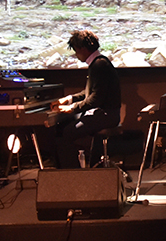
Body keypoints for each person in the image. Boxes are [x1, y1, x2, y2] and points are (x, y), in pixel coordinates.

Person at [52, 30, 121, 168]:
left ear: (82, 49)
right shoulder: (99, 62)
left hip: (106, 116)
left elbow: (95, 99)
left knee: (67, 133)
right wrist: (69, 99)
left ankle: (73, 175)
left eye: (76, 50)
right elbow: (89, 93)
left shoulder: (99, 65)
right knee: (66, 126)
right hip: (105, 114)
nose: (76, 55)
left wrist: (72, 108)